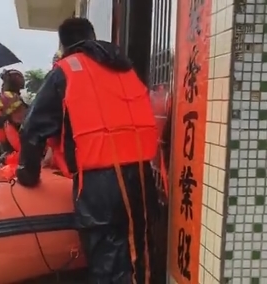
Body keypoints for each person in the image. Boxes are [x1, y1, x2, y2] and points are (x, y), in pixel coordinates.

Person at [15, 18, 159, 283]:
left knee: (107, 259)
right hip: (141, 177)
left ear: (63, 45)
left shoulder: (66, 70)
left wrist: (27, 174)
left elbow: (32, 129)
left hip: (99, 185)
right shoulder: (124, 69)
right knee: (142, 254)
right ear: (93, 37)